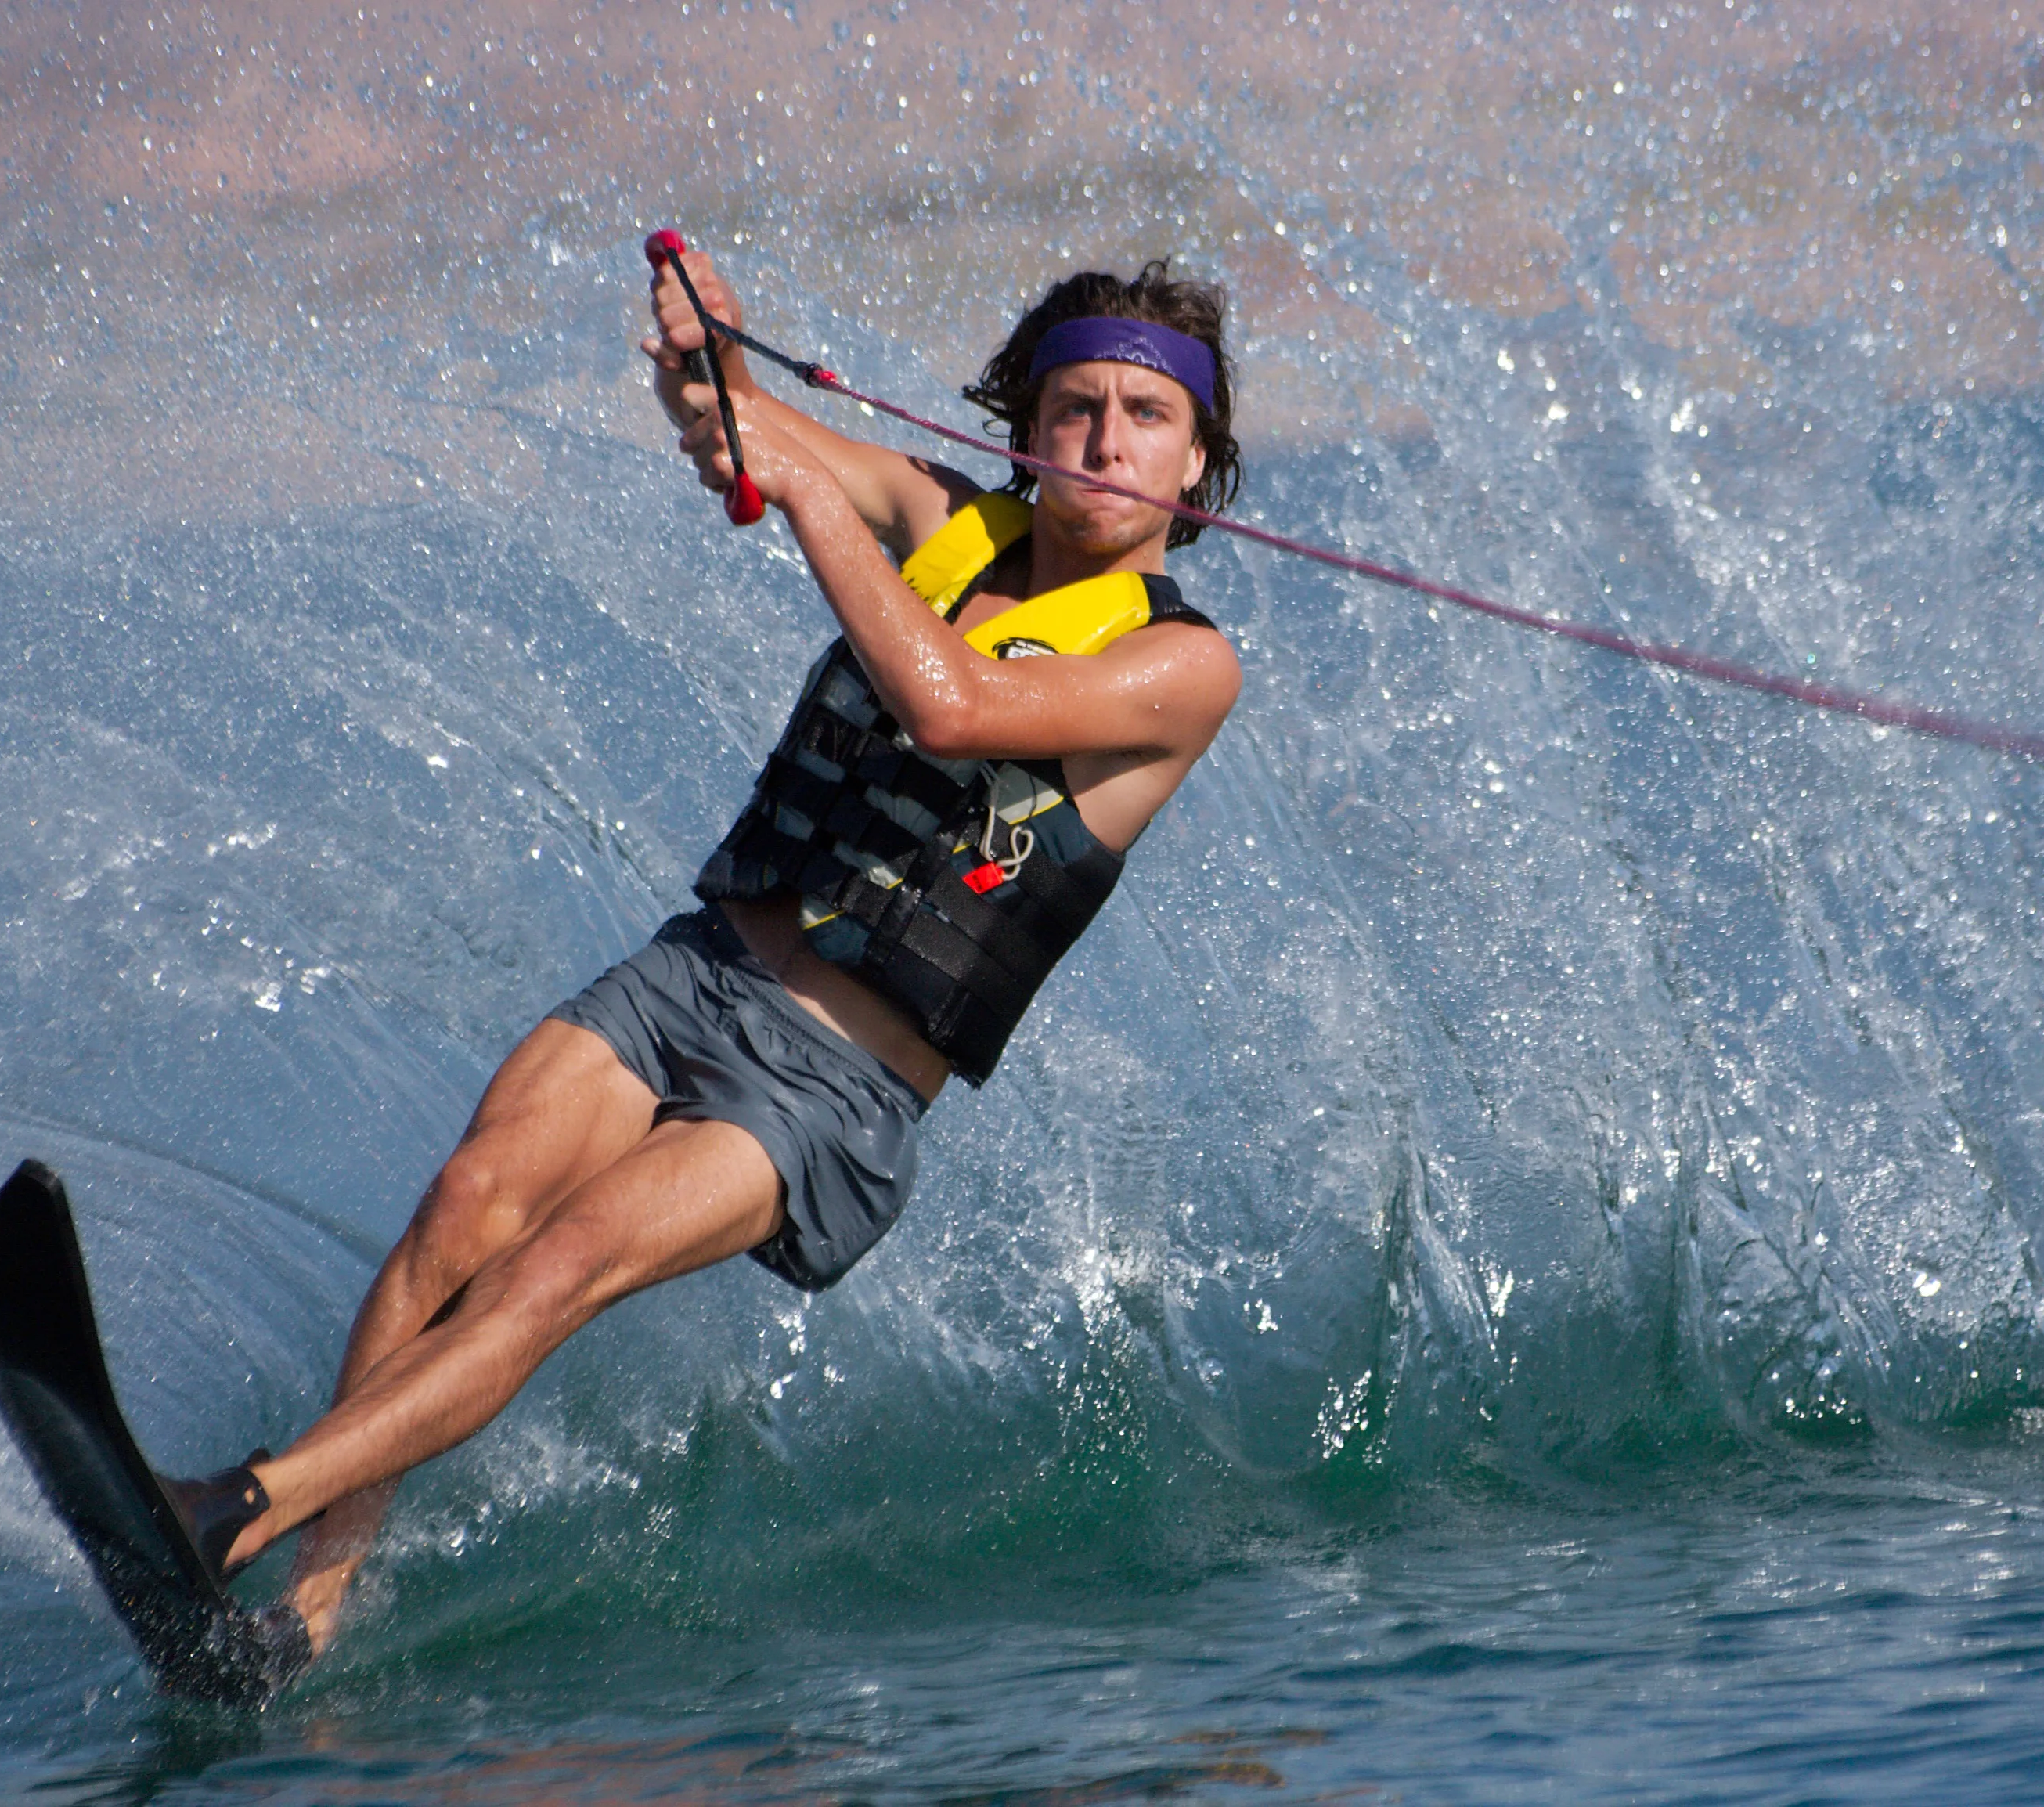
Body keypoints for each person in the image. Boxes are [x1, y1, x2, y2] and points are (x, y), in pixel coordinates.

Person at [174, 246, 1246, 1672]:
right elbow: (743, 425)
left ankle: (233, 1510)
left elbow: (956, 704)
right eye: (1075, 410)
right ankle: (300, 1620)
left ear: (1198, 454)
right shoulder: (945, 518)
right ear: (1027, 431)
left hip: (829, 1091)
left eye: (1145, 416)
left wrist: (803, 489)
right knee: (464, 1214)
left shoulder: (1183, 668)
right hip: (698, 973)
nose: (1106, 441)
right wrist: (707, 360)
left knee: (549, 1272)